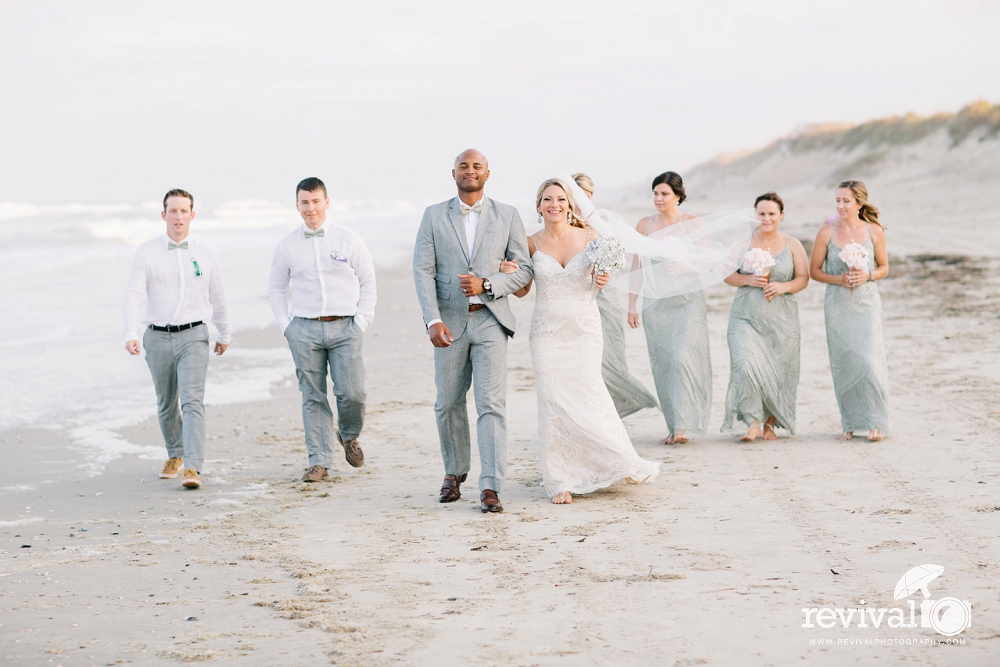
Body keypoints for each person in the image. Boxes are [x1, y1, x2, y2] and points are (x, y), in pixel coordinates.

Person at [503, 178, 660, 505]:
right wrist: (508, 271)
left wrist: (604, 277)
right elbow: (522, 290)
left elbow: (606, 274)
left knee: (589, 395)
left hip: (584, 330)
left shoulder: (591, 237)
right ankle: (560, 478)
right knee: (552, 402)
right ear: (538, 206)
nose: (554, 204)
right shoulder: (530, 243)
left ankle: (614, 461)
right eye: (548, 199)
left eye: (561, 199)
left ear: (571, 204)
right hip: (546, 333)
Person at [412, 149, 533, 513]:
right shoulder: (433, 215)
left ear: (487, 173)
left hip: (491, 321)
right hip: (448, 323)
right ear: (453, 173)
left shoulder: (508, 215)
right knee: (447, 402)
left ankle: (491, 485)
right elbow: (422, 270)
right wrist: (432, 320)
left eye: (476, 166)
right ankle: (454, 471)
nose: (470, 171)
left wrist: (489, 284)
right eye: (463, 166)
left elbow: (525, 271)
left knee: (490, 405)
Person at [268, 177, 376, 482]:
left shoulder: (348, 239)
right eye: (304, 202)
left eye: (316, 201)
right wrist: (286, 326)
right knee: (312, 396)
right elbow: (276, 289)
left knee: (352, 393)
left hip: (345, 328)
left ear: (326, 202)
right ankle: (319, 461)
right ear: (297, 205)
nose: (310, 208)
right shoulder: (287, 245)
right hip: (303, 329)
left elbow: (368, 281)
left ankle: (348, 434)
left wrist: (361, 321)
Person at [123, 189, 230, 490]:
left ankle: (193, 467)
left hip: (195, 336)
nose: (178, 216)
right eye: (173, 210)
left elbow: (218, 296)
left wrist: (224, 332)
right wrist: (130, 332)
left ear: (192, 215)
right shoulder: (146, 251)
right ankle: (176, 453)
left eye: (184, 211)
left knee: (193, 400)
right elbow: (133, 295)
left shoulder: (206, 252)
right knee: (166, 402)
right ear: (164, 215)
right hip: (157, 338)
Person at [627, 172, 711, 445]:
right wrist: (632, 305)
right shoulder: (644, 225)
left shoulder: (693, 223)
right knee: (664, 363)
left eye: (664, 194)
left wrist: (685, 266)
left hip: (688, 300)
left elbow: (709, 262)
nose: (658, 199)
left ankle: (685, 425)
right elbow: (637, 267)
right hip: (656, 304)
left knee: (682, 358)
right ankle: (675, 425)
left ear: (678, 196)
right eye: (655, 193)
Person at [721, 192, 809, 441]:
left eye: (772, 213)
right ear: (755, 214)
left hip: (782, 319)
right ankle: (753, 421)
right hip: (745, 316)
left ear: (781, 215)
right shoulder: (743, 242)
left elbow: (803, 278)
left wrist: (783, 286)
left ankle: (770, 421)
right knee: (745, 363)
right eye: (761, 213)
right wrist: (748, 279)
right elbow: (728, 275)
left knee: (780, 370)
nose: (766, 218)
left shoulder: (793, 244)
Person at [572, 173, 658, 418]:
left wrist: (607, 273)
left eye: (585, 197)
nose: (581, 203)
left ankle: (613, 410)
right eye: (575, 197)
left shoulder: (604, 220)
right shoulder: (562, 223)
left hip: (605, 298)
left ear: (592, 196)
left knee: (611, 356)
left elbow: (623, 257)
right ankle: (591, 415)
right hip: (575, 298)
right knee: (583, 361)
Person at [809, 180, 889, 441]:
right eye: (838, 201)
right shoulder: (825, 233)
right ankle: (850, 423)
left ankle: (876, 421)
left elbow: (884, 268)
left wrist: (867, 276)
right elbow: (815, 271)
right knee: (845, 363)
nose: (841, 206)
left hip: (866, 303)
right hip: (837, 304)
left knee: (869, 361)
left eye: (846, 201)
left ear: (859, 203)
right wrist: (839, 279)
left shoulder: (874, 231)